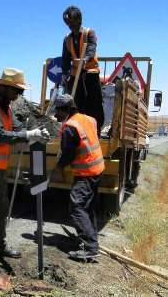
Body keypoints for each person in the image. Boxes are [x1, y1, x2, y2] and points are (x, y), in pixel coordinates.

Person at [0, 68, 50, 272]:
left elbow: (14, 128)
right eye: (17, 91)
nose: (19, 95)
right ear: (5, 87)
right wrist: (27, 134)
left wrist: (34, 134)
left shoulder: (4, 105)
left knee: (1, 209)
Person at [52, 94, 104, 261]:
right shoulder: (89, 119)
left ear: (65, 109)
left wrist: (57, 169)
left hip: (86, 173)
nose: (55, 115)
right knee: (87, 208)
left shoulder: (70, 127)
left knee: (77, 207)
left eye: (57, 111)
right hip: (97, 169)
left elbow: (67, 154)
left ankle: (90, 247)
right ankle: (91, 241)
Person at [61, 5, 104, 134]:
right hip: (75, 75)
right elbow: (65, 58)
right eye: (68, 24)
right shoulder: (67, 39)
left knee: (94, 103)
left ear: (79, 20)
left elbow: (91, 48)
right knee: (76, 104)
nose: (71, 26)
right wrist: (64, 73)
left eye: (73, 23)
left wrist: (85, 59)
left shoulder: (89, 33)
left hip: (90, 74)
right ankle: (78, 130)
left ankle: (95, 130)